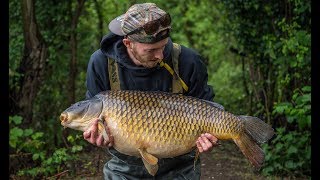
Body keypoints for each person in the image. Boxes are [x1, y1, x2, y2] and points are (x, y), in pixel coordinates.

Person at [82, 2, 219, 179]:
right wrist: (96, 135)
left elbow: (208, 110)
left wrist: (209, 137)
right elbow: (93, 117)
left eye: (163, 46)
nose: (160, 56)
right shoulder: (101, 63)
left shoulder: (188, 60)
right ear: (128, 43)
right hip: (125, 166)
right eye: (151, 50)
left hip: (180, 165)